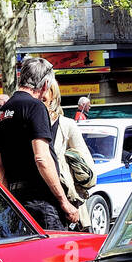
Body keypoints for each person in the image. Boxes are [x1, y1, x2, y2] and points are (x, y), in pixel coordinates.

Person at [0, 56, 79, 230]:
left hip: (17, 201)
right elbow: (41, 158)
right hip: (42, 201)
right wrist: (64, 202)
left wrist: (10, 202)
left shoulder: (3, 111)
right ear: (46, 84)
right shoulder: (36, 107)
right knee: (52, 256)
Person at [45, 74, 97, 230]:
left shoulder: (67, 125)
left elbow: (87, 166)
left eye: (44, 97)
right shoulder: (29, 125)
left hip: (67, 202)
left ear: (54, 96)